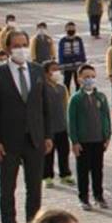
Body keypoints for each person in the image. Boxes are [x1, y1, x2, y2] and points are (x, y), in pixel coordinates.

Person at [0, 31, 53, 223]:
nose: (21, 49)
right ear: (7, 48)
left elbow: (45, 106)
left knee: (34, 187)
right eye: (16, 45)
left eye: (24, 44)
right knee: (7, 188)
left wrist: (48, 135)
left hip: (34, 138)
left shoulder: (37, 70)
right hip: (8, 141)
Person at [67, 65, 111, 211]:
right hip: (83, 142)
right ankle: (83, 198)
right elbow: (71, 121)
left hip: (98, 140)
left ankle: (99, 196)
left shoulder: (101, 97)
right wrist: (75, 141)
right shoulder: (76, 99)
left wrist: (107, 136)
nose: (90, 80)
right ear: (79, 79)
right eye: (86, 77)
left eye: (92, 76)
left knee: (98, 170)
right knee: (83, 171)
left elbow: (106, 117)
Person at [41, 62, 73, 190]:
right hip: (48, 127)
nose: (56, 72)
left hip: (62, 125)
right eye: (53, 70)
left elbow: (66, 105)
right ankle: (47, 176)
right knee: (48, 154)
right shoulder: (42, 88)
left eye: (58, 69)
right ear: (46, 73)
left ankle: (65, 174)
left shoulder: (62, 88)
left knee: (64, 151)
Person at [58, 23, 86, 92]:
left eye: (73, 28)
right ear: (65, 29)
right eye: (69, 28)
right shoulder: (63, 41)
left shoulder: (78, 39)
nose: (71, 30)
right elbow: (60, 53)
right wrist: (61, 65)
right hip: (67, 65)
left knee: (78, 82)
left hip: (78, 65)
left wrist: (84, 62)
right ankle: (67, 96)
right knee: (66, 83)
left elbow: (82, 51)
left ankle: (78, 95)